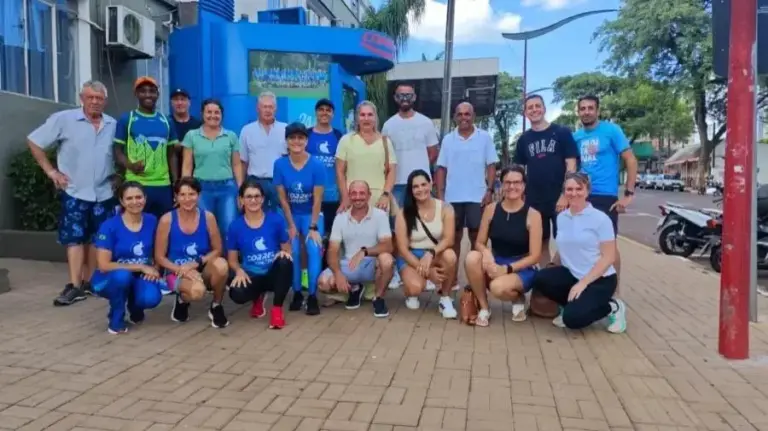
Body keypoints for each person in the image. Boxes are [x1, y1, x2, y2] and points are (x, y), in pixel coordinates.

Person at [27, 80, 118, 306]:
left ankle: (91, 283)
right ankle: (75, 285)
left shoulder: (112, 124)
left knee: (98, 239)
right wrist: (51, 172)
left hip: (104, 192)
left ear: (105, 101)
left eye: (99, 98)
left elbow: (117, 153)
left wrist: (118, 175)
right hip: (76, 191)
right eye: (90, 97)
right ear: (82, 98)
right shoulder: (64, 119)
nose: (95, 102)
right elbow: (34, 141)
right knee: (75, 239)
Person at [530, 172, 626, 333]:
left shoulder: (601, 219)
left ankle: (612, 307)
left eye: (579, 189)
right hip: (573, 275)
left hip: (600, 280)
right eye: (569, 189)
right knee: (540, 278)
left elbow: (609, 257)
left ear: (587, 191)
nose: (573, 193)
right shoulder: (562, 217)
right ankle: (571, 305)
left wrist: (584, 282)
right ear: (564, 192)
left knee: (572, 319)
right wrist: (552, 267)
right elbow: (564, 248)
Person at [573, 95, 637, 331]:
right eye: (582, 108)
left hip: (605, 196)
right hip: (581, 195)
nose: (586, 112)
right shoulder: (576, 136)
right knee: (580, 243)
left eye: (590, 108)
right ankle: (585, 290)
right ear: (578, 112)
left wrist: (628, 193)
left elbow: (630, 159)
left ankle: (616, 299)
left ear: (597, 110)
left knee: (608, 247)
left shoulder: (612, 131)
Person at [464, 166, 543, 326]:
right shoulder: (491, 209)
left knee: (497, 288)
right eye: (507, 182)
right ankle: (484, 307)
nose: (512, 186)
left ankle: (517, 297)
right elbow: (479, 242)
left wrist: (507, 269)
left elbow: (535, 256)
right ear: (501, 185)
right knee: (472, 258)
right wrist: (486, 253)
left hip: (522, 266)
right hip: (496, 260)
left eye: (517, 182)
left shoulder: (533, 215)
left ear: (524, 185)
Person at [434, 102, 498, 290]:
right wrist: (440, 195)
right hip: (452, 198)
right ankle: (451, 280)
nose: (464, 117)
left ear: (473, 116)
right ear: (455, 117)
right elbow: (441, 168)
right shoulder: (448, 140)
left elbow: (491, 166)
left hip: (477, 197)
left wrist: (489, 190)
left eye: (467, 114)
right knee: (452, 239)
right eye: (460, 114)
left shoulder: (484, 137)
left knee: (477, 239)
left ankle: (474, 280)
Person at [382, 82, 439, 290]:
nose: (405, 98)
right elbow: (385, 156)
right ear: (395, 98)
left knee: (425, 226)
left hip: (421, 185)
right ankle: (398, 271)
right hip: (397, 184)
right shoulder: (388, 125)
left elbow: (433, 152)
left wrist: (419, 173)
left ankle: (427, 269)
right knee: (397, 230)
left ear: (414, 97)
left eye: (408, 95)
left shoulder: (426, 123)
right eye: (401, 95)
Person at [154, 177, 231, 328]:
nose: (187, 199)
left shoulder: (208, 217)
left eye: (192, 194)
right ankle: (182, 300)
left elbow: (218, 249)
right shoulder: (167, 220)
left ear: (199, 195)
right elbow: (159, 257)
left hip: (200, 266)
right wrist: (181, 269)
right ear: (176, 197)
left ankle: (216, 305)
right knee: (197, 291)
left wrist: (196, 263)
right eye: (182, 195)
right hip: (176, 271)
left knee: (222, 265)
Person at [90, 182, 164, 334]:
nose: (135, 202)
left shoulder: (152, 221)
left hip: (140, 276)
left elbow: (159, 250)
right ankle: (116, 318)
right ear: (122, 201)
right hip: (108, 278)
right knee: (122, 276)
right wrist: (141, 267)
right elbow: (104, 265)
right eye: (129, 198)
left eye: (139, 197)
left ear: (145, 198)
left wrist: (155, 269)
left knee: (151, 298)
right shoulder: (109, 226)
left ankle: (135, 306)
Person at [514, 94, 578, 265]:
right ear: (525, 113)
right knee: (539, 242)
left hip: (559, 198)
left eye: (537, 106)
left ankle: (560, 272)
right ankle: (546, 276)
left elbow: (571, 165)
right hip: (534, 200)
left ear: (544, 108)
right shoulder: (523, 139)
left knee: (565, 241)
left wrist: (565, 195)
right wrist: (520, 196)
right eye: (530, 107)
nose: (534, 110)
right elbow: (519, 171)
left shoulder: (561, 132)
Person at [318, 180, 395, 317]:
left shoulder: (380, 215)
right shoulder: (340, 218)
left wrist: (365, 251)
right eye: (354, 193)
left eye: (362, 193)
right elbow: (332, 250)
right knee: (323, 284)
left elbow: (388, 245)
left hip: (372, 265)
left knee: (387, 260)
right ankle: (355, 288)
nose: (357, 197)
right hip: (349, 264)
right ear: (349, 196)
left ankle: (378, 298)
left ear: (369, 195)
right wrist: (337, 273)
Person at [273, 122, 326, 316]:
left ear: (306, 140)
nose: (296, 141)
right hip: (291, 214)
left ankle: (312, 295)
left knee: (313, 248)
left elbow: (318, 199)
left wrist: (313, 227)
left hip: (312, 214)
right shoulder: (279, 164)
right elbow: (283, 199)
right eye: (292, 138)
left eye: (301, 138)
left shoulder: (317, 165)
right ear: (286, 141)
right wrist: (291, 225)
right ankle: (296, 293)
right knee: (293, 250)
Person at [226, 180, 294, 330]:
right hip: (252, 276)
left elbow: (287, 249)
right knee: (236, 293)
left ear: (263, 199)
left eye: (257, 196)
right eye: (249, 197)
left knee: (285, 261)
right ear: (241, 200)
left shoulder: (276, 220)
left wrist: (283, 253)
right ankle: (257, 297)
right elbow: (232, 260)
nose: (253, 200)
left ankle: (277, 310)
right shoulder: (235, 226)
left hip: (272, 274)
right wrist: (238, 270)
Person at [394, 170, 458, 319]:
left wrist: (431, 253)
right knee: (415, 288)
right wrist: (428, 273)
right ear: (411, 190)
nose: (420, 189)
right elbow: (402, 249)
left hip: (434, 253)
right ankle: (411, 292)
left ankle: (445, 298)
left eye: (424, 184)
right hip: (411, 255)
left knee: (450, 256)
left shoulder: (445, 208)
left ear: (431, 184)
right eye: (415, 186)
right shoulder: (403, 213)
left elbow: (449, 239)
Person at [114, 76, 179, 218]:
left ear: (157, 94)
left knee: (164, 225)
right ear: (136, 94)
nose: (148, 94)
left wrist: (176, 183)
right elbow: (117, 151)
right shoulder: (127, 119)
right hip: (136, 184)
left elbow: (172, 154)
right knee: (136, 224)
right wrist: (130, 165)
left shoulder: (166, 120)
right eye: (143, 91)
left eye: (152, 91)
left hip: (163, 185)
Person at [181, 99, 244, 237]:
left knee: (228, 227)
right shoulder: (192, 136)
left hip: (227, 188)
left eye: (217, 112)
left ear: (222, 115)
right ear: (202, 114)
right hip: (201, 188)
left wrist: (241, 189)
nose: (213, 116)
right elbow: (187, 165)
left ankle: (227, 252)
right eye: (209, 112)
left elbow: (236, 164)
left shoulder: (231, 136)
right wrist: (185, 189)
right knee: (205, 227)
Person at [335, 100, 397, 211]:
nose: (366, 118)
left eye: (370, 115)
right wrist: (345, 197)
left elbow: (392, 171)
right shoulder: (346, 140)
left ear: (375, 118)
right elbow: (340, 171)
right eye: (362, 115)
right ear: (357, 118)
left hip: (379, 200)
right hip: (354, 198)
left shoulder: (385, 142)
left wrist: (386, 195)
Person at [239, 91, 287, 211]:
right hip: (255, 183)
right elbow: (243, 162)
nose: (268, 110)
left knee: (280, 218)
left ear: (275, 109)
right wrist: (241, 189)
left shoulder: (285, 129)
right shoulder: (247, 130)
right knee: (256, 217)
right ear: (257, 108)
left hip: (279, 183)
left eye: (271, 107)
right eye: (264, 107)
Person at [306, 98, 344, 234]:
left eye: (328, 110)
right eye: (321, 110)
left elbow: (343, 166)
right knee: (312, 233)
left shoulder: (339, 136)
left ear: (333, 114)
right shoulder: (306, 134)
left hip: (332, 195)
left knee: (331, 233)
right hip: (310, 194)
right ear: (316, 113)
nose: (324, 113)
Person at [169, 88, 202, 176]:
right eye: (176, 100)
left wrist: (182, 145)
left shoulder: (198, 125)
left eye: (183, 99)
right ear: (171, 103)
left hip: (194, 174)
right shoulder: (166, 123)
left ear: (189, 102)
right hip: (171, 174)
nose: (179, 103)